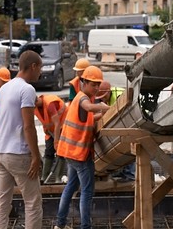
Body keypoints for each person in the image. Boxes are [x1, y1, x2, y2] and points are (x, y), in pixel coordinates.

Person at [0, 50, 43, 229]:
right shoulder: (27, 89)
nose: (41, 72)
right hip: (19, 154)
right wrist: (36, 157)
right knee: (32, 203)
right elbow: (28, 126)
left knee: (2, 202)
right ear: (33, 66)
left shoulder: (3, 88)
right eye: (40, 68)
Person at [55, 66, 109, 229]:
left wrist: (104, 114)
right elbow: (89, 108)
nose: (97, 88)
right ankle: (85, 226)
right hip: (79, 155)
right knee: (86, 192)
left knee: (70, 187)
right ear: (84, 82)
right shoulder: (82, 99)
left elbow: (89, 119)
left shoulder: (81, 98)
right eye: (93, 84)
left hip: (70, 153)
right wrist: (104, 107)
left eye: (98, 84)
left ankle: (60, 224)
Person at [95, 80, 134, 182]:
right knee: (121, 148)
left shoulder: (118, 95)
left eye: (103, 96)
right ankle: (125, 171)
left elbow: (121, 111)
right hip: (123, 123)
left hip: (129, 121)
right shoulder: (107, 97)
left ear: (108, 92)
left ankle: (130, 175)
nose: (102, 99)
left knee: (128, 147)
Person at [35, 94, 67, 183]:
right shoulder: (35, 107)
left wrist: (56, 142)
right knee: (49, 151)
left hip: (62, 127)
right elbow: (45, 119)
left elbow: (57, 123)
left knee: (61, 152)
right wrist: (46, 129)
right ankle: (44, 178)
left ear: (36, 100)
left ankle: (58, 178)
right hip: (50, 131)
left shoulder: (50, 104)